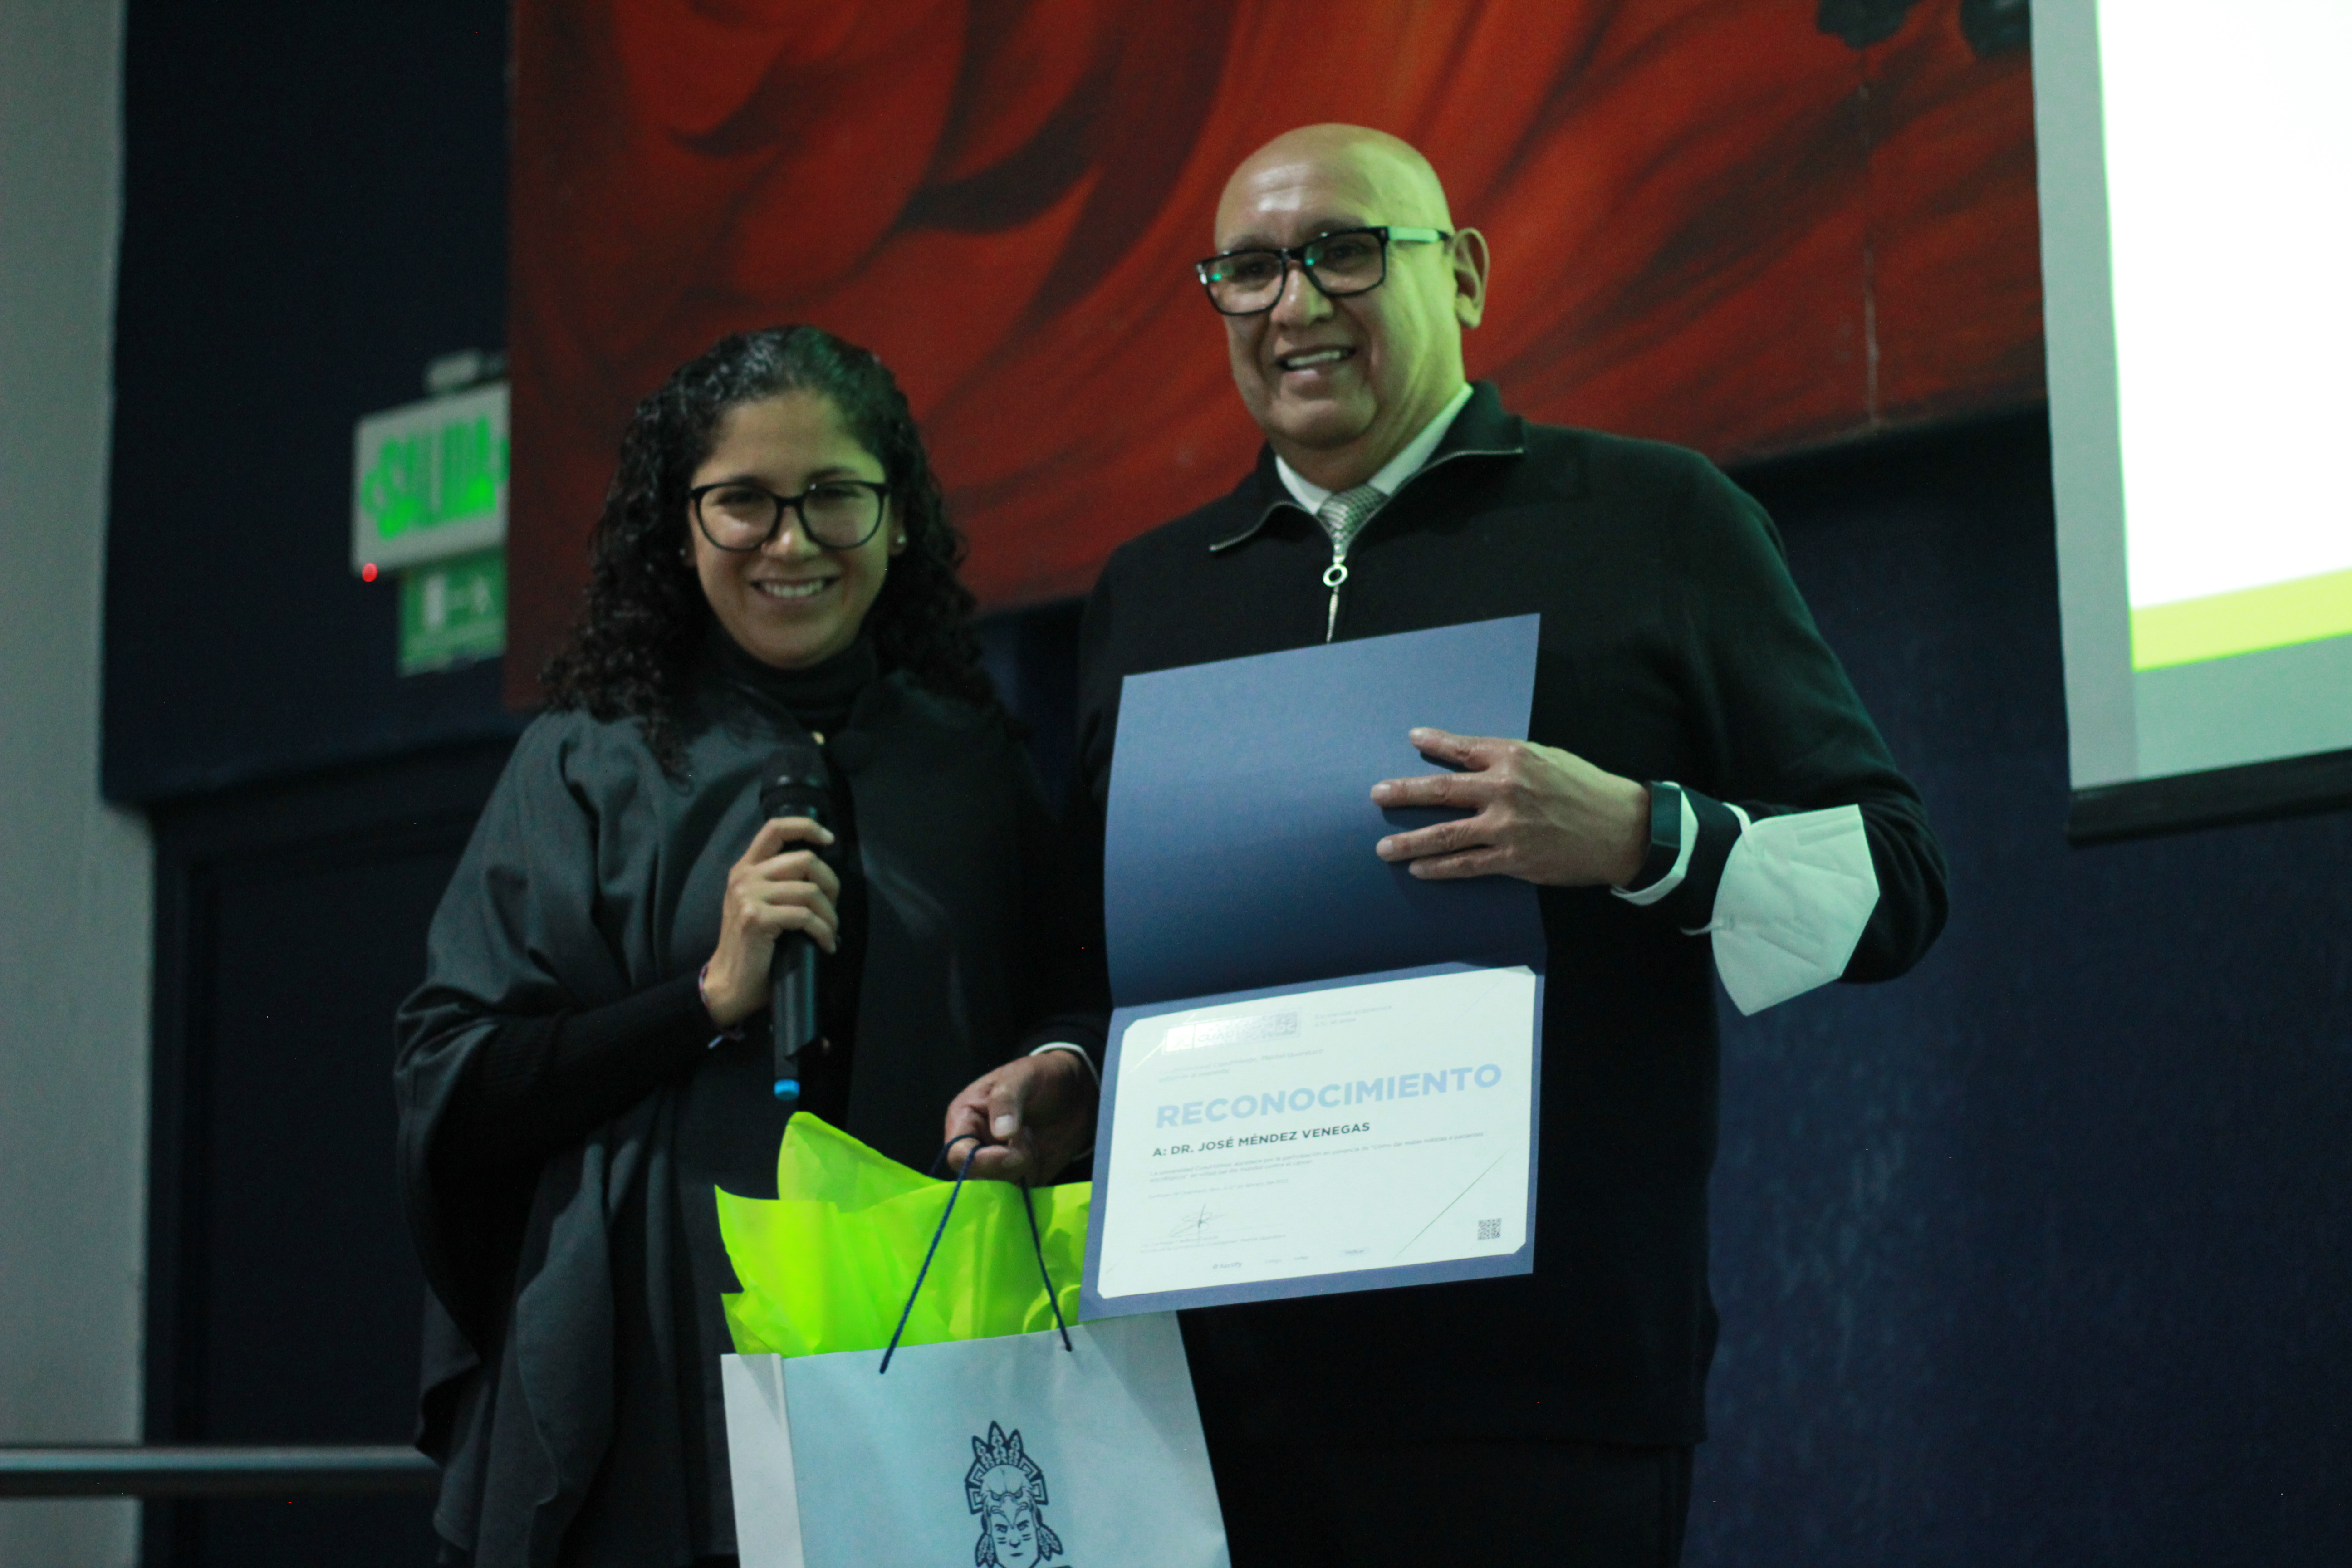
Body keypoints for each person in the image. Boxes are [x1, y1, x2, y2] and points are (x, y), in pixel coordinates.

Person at [965, 125, 1950, 1564]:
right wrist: (1067, 1076)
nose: (1295, 305)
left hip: (1541, 1394)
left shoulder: (1654, 518)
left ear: (1466, 275)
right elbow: (1100, 969)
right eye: (1247, 271)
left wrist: (1639, 833)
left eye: (1345, 252)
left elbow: (1898, 885)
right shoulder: (1151, 592)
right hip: (1212, 1400)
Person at [395, 325, 1101, 1568]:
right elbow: (457, 1079)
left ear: (896, 521)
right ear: (679, 530)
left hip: (927, 1344)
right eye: (743, 504)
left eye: (834, 496)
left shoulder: (974, 766)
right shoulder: (591, 760)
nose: (792, 541)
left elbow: (1071, 998)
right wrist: (704, 998)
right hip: (657, 1361)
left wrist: (1055, 1067)